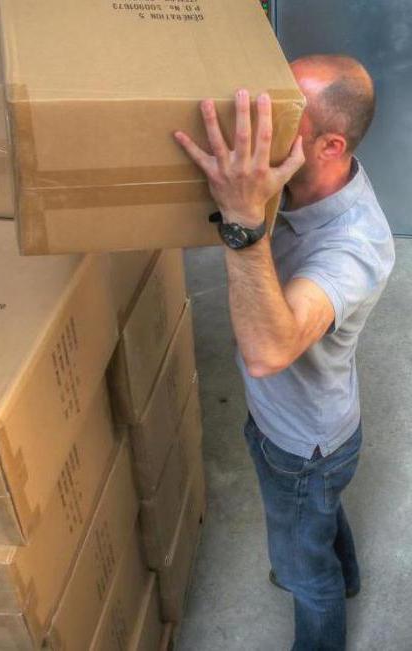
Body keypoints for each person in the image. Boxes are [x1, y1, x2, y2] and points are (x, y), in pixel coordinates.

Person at [173, 55, 395, 650]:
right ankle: (344, 572)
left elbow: (270, 352)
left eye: (283, 113)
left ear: (330, 145)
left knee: (303, 571)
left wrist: (243, 220)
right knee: (322, 516)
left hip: (303, 447)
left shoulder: (355, 248)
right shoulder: (300, 179)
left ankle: (324, 602)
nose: (260, 125)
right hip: (312, 433)